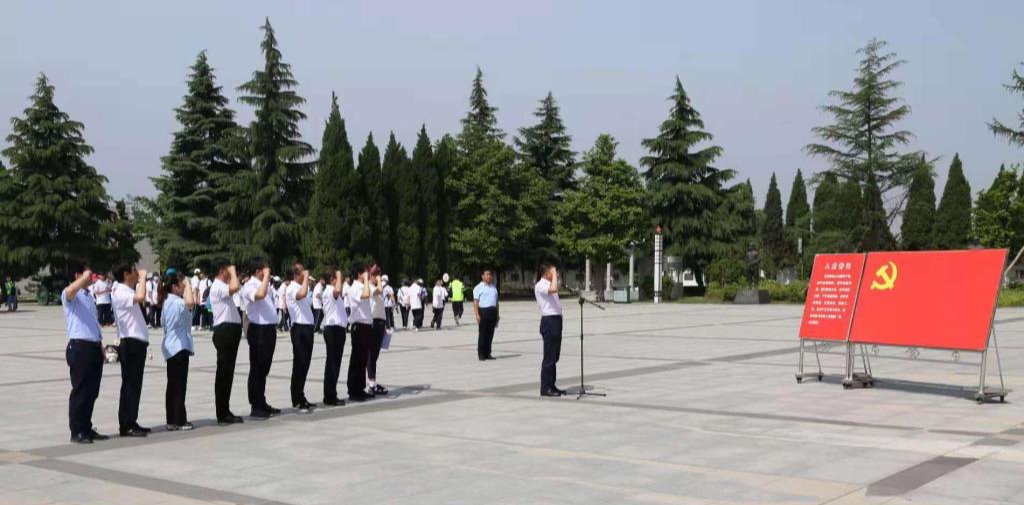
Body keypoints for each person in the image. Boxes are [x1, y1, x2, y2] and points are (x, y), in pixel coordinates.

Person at [62, 260, 109, 444]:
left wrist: (100, 346)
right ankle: (77, 431)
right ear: (77, 276)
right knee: (80, 390)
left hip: (93, 347)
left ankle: (87, 427)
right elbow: (69, 292)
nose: (92, 276)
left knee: (92, 391)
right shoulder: (71, 295)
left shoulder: (89, 295)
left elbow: (92, 323)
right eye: (88, 273)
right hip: (80, 347)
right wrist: (83, 279)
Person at [110, 262, 151, 437]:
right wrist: (143, 278)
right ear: (126, 274)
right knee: (130, 385)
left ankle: (131, 420)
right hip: (130, 343)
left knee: (135, 384)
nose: (137, 272)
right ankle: (126, 425)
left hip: (137, 343)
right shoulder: (120, 291)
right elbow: (141, 296)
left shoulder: (126, 290)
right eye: (134, 270)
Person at [240, 259, 281, 419]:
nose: (268, 272)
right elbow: (259, 295)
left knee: (264, 369)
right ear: (258, 271)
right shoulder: (249, 286)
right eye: (265, 270)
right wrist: (266, 277)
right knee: (257, 368)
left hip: (268, 329)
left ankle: (261, 401)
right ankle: (256, 405)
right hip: (259, 330)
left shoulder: (264, 284)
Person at [209, 260, 244, 425]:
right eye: (229, 272)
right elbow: (235, 287)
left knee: (228, 373)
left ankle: (225, 410)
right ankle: (222, 413)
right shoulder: (217, 286)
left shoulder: (222, 286)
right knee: (223, 373)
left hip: (230, 331)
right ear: (223, 271)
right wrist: (233, 271)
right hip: (225, 331)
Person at [160, 270, 196, 431]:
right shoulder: (177, 302)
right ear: (174, 287)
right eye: (181, 285)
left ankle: (172, 419)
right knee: (179, 385)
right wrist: (188, 284)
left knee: (173, 385)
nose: (184, 287)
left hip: (171, 346)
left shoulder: (167, 301)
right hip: (179, 347)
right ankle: (179, 420)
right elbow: (190, 303)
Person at [285, 263, 317, 413]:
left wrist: (305, 279)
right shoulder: (292, 288)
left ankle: (301, 396)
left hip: (307, 328)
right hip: (299, 328)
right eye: (301, 272)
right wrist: (306, 277)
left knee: (305, 364)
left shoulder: (299, 286)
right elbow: (302, 294)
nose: (304, 275)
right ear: (295, 274)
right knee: (299, 364)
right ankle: (296, 399)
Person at [535, 263, 566, 397]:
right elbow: (554, 289)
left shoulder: (548, 284)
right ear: (546, 273)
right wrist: (554, 274)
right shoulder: (540, 285)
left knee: (554, 356)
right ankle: (545, 388)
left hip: (556, 320)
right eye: (552, 272)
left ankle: (552, 385)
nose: (555, 274)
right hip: (549, 321)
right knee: (549, 356)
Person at [346, 262, 374, 402]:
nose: (367, 274)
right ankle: (353, 390)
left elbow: (373, 292)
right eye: (365, 272)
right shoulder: (355, 288)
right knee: (356, 360)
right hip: (359, 326)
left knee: (363, 360)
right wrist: (367, 280)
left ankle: (360, 388)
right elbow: (366, 294)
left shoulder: (363, 286)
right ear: (359, 274)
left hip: (366, 326)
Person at [321, 267, 347, 406]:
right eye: (337, 278)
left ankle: (331, 394)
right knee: (332, 364)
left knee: (335, 363)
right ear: (332, 279)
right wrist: (338, 273)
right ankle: (330, 396)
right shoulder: (330, 290)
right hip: (333, 330)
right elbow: (337, 290)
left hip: (337, 329)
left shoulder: (330, 290)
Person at [367, 267, 389, 396]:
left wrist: (384, 325)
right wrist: (379, 280)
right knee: (371, 355)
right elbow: (379, 290)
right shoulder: (370, 287)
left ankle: (373, 382)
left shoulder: (374, 287)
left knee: (374, 355)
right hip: (374, 324)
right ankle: (371, 384)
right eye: (376, 275)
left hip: (379, 323)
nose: (378, 278)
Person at [473, 269, 499, 361]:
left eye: (490, 274)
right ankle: (481, 354)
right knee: (483, 333)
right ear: (482, 276)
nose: (489, 276)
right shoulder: (478, 288)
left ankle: (488, 353)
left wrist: (497, 314)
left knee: (490, 334)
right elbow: (475, 303)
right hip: (483, 312)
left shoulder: (493, 288)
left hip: (492, 312)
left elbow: (496, 302)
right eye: (487, 274)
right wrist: (477, 315)